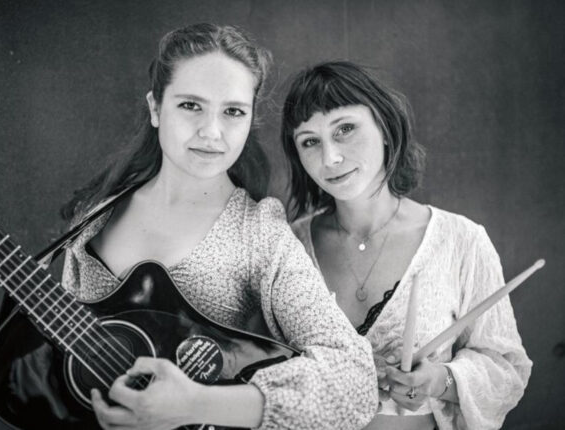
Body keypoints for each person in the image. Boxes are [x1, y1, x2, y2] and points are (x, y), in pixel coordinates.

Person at [59, 26, 378, 429]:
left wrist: (196, 405)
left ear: (249, 120)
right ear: (156, 108)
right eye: (191, 105)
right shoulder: (92, 218)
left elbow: (355, 382)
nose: (212, 132)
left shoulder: (258, 231)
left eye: (232, 111)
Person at [282, 61, 531, 429]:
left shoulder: (460, 240)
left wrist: (441, 380)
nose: (330, 157)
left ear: (384, 126)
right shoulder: (286, 246)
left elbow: (506, 369)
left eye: (345, 129)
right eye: (310, 141)